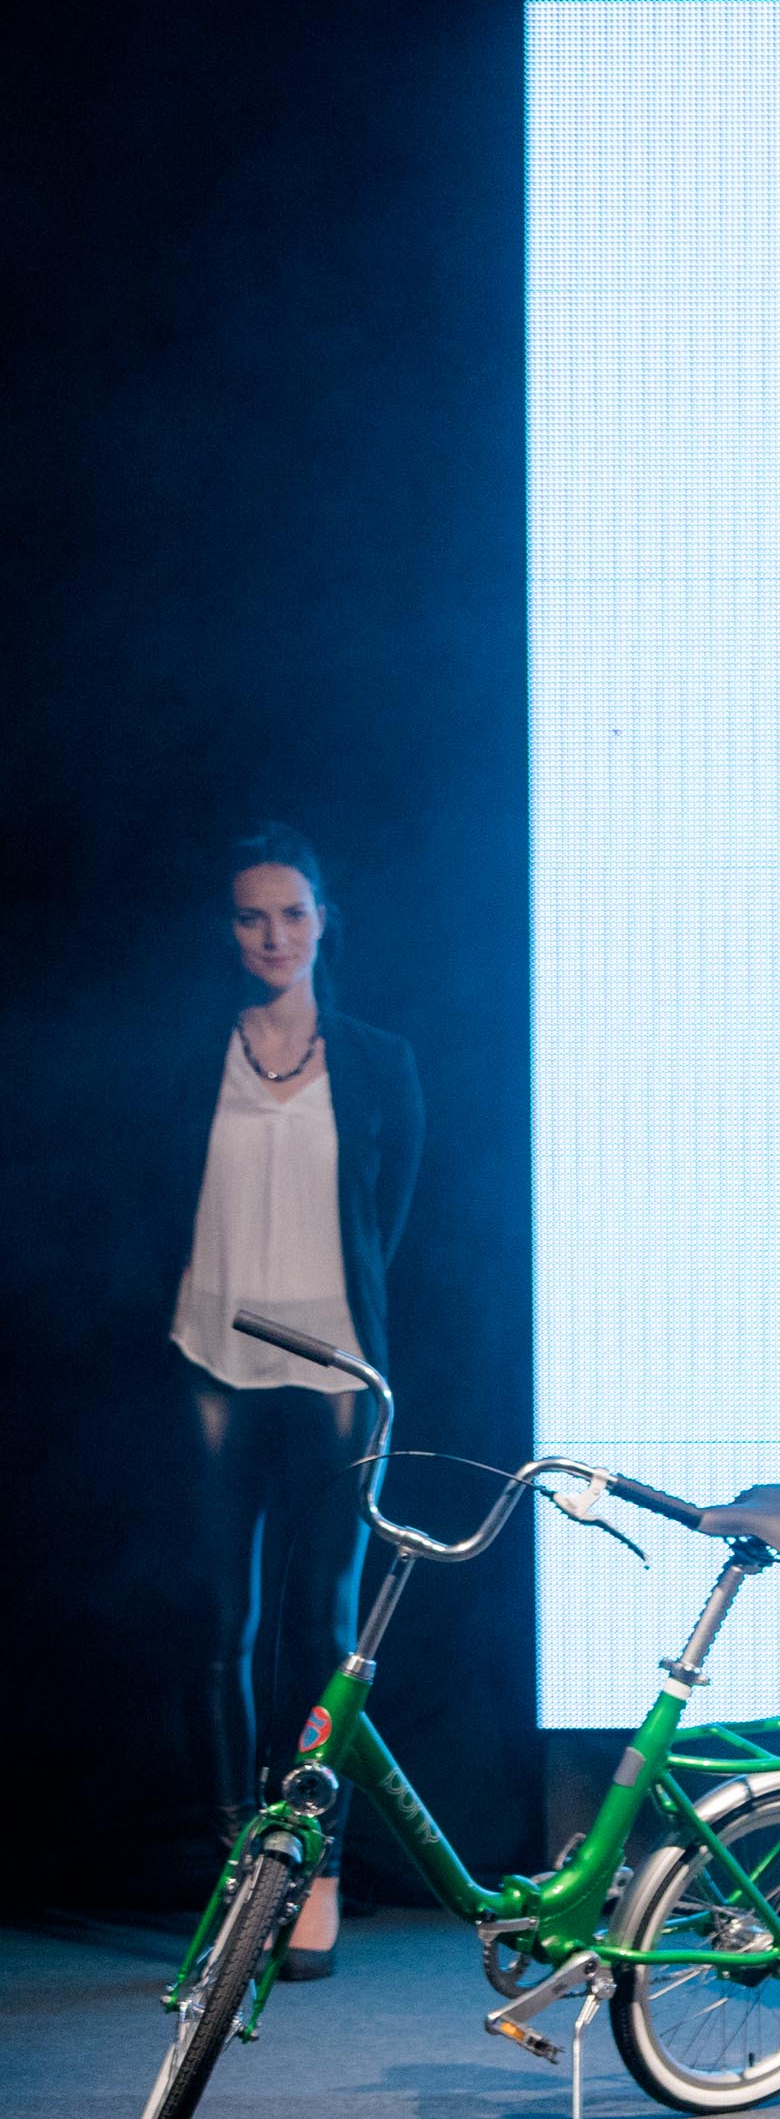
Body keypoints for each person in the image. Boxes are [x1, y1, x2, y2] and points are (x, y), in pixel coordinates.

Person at [168, 824, 423, 1979]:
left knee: (322, 1633)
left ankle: (312, 1867)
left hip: (335, 1372)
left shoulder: (379, 1060)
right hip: (209, 1359)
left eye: (292, 913)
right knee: (219, 1625)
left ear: (324, 922)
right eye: (251, 916)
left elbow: (387, 1216)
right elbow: (156, 1195)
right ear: (231, 931)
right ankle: (237, 1867)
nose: (273, 935)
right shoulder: (192, 1057)